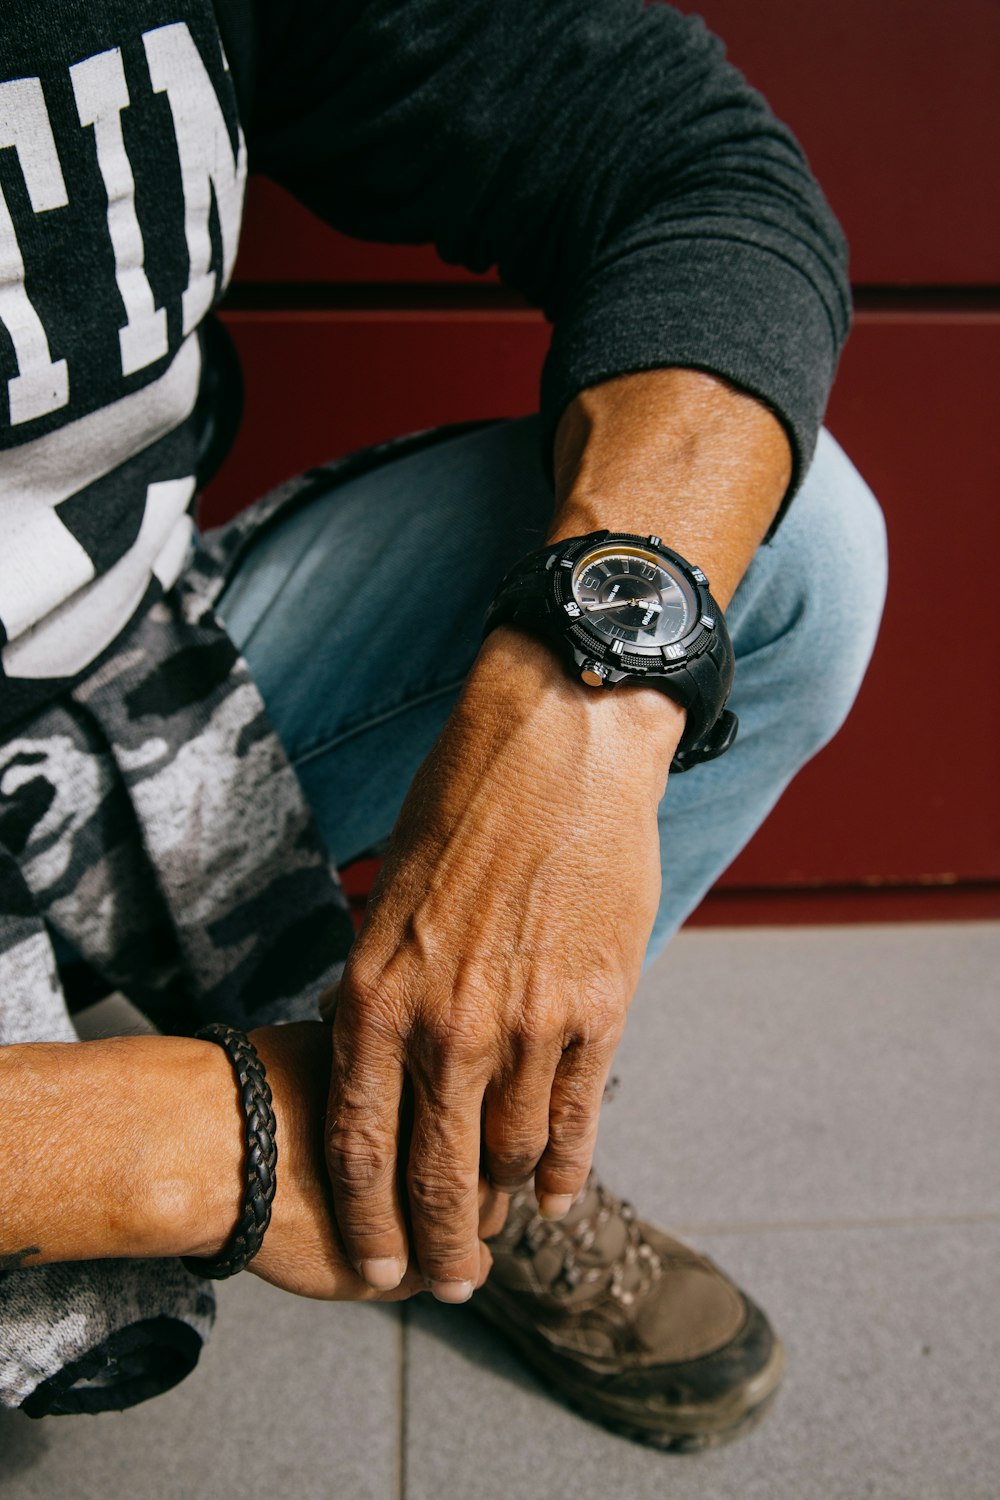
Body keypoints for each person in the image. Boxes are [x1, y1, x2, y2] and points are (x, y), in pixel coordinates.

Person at [0, 0, 886, 1448]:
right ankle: (360, 1137)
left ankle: (464, 1138)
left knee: (795, 560)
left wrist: (579, 689)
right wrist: (179, 1143)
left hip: (132, 658)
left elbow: (695, 165)